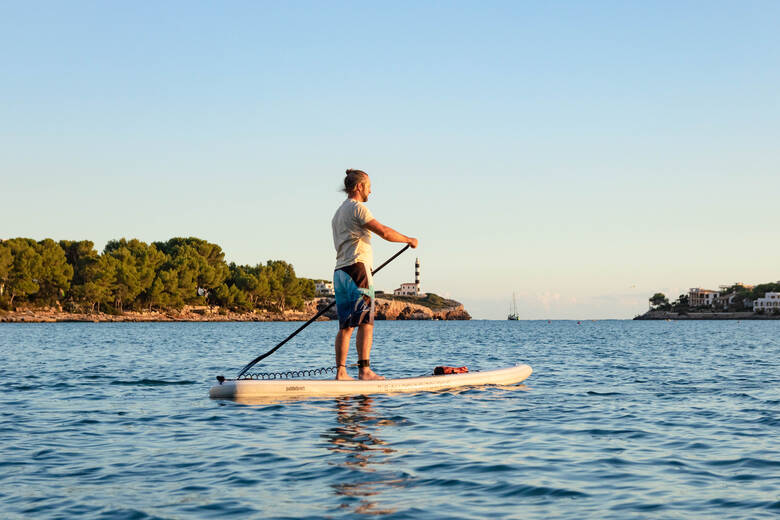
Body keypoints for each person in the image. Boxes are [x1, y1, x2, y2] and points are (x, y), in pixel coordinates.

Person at [331, 169, 418, 380]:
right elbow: (384, 232)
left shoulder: (338, 212)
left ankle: (341, 372)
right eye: (369, 186)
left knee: (346, 326)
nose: (371, 190)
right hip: (357, 269)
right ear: (359, 187)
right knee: (365, 322)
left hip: (340, 272)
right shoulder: (358, 209)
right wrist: (409, 239)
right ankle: (365, 371)